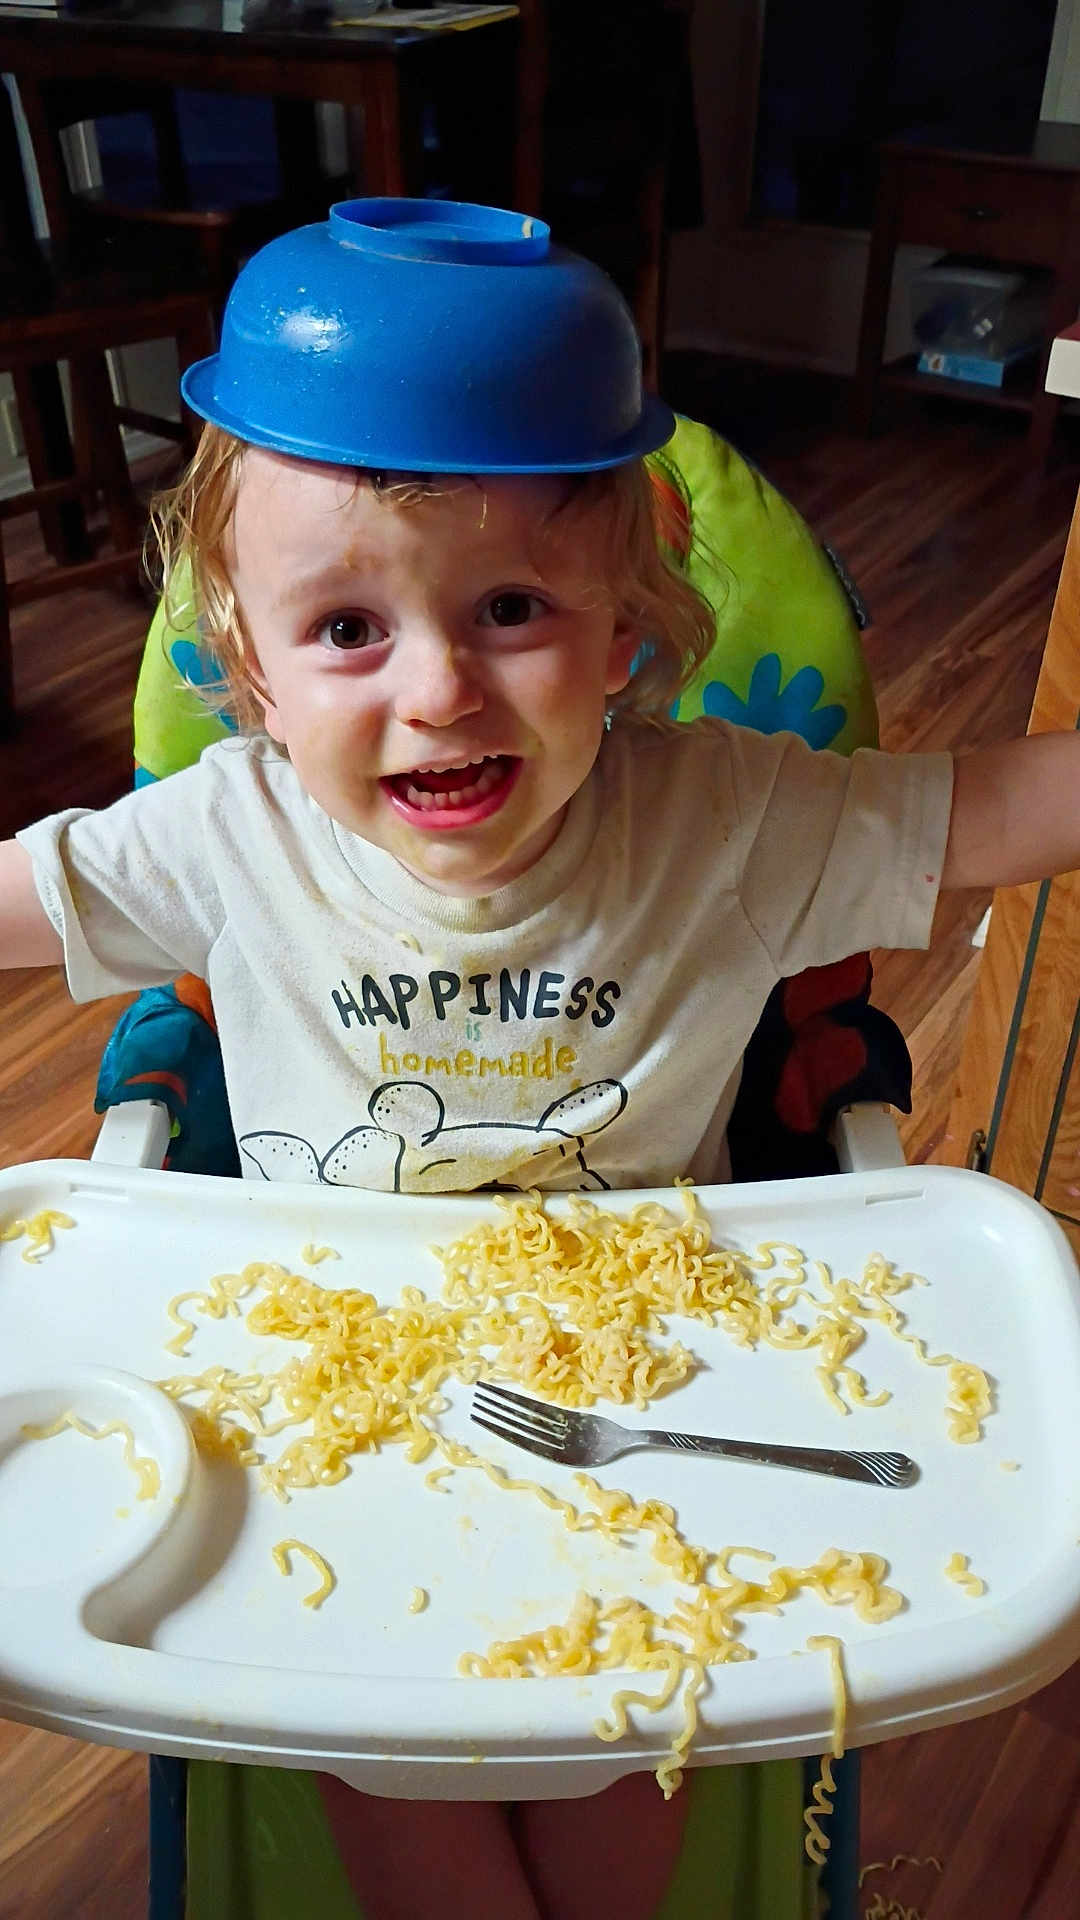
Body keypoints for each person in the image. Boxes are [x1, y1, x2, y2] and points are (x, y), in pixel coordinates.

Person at [2, 197, 1079, 1918]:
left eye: (512, 608)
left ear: (627, 634)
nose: (435, 690)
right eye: (347, 629)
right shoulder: (225, 840)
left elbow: (1002, 811)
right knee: (394, 1779)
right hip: (325, 1445)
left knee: (622, 1765)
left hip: (655, 1422)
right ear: (251, 674)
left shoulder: (722, 825)